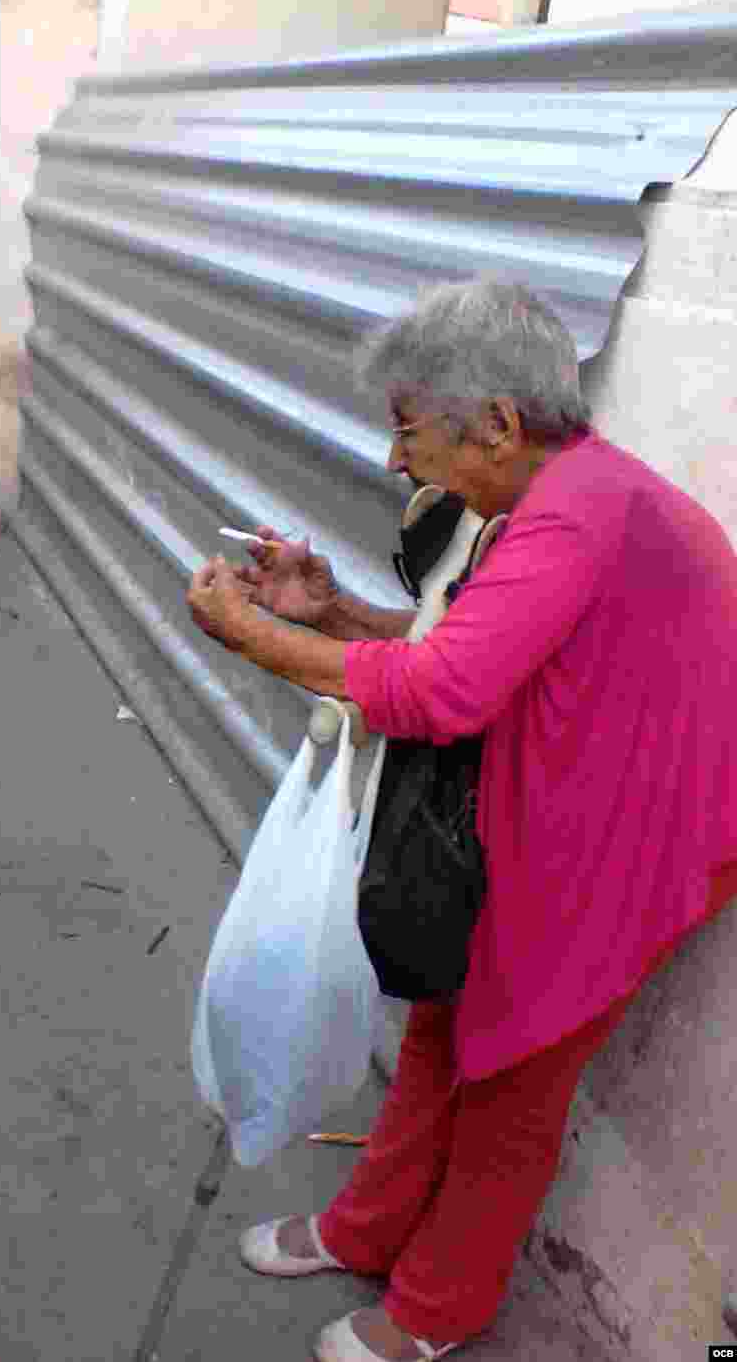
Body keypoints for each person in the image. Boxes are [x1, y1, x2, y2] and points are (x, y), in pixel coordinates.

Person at [187, 278, 737, 1362]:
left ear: (493, 422)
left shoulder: (581, 511)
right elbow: (459, 644)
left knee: (513, 1079)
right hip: (553, 805)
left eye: (408, 431)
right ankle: (368, 1228)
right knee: (447, 1024)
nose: (396, 463)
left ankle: (439, 1310)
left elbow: (439, 691)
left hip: (635, 834)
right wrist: (329, 608)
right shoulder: (553, 499)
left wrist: (250, 636)